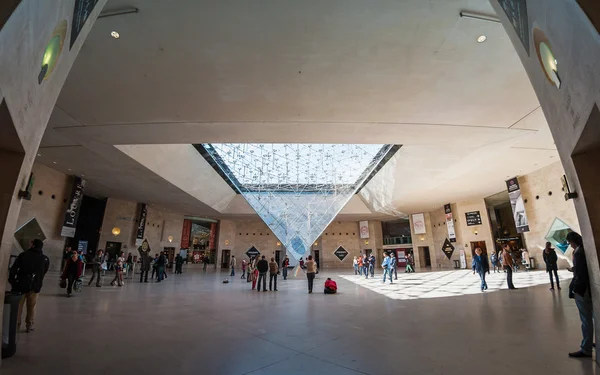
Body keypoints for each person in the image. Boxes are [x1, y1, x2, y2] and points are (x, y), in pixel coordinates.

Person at [9, 239, 50, 333]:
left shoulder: (23, 255)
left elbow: (14, 268)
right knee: (31, 307)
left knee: (18, 306)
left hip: (20, 285)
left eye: (30, 243)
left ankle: (16, 325)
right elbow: (44, 271)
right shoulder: (45, 259)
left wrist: (12, 280)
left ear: (33, 245)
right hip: (35, 286)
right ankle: (29, 325)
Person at [566, 232, 593, 358]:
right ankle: (589, 342)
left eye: (569, 242)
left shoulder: (579, 252)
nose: (570, 245)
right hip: (588, 289)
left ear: (573, 241)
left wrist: (576, 289)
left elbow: (580, 274)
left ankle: (586, 348)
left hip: (582, 290)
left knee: (585, 319)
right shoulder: (584, 250)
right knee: (591, 318)